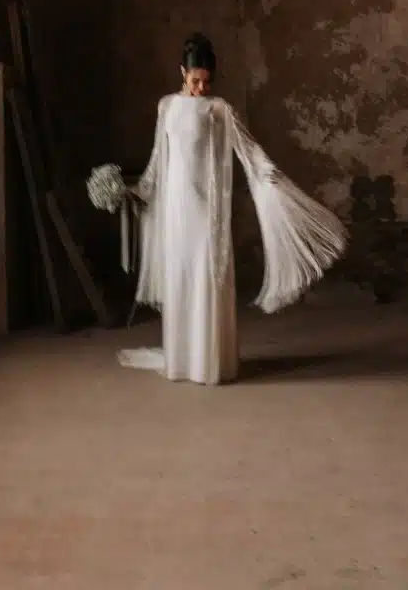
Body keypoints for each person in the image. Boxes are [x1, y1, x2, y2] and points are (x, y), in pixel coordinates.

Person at [118, 33, 346, 386]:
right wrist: (134, 190)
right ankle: (182, 362)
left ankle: (210, 363)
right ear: (182, 72)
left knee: (206, 280)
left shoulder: (219, 110)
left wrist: (267, 173)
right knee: (181, 279)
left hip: (206, 211)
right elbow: (157, 161)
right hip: (177, 210)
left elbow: (248, 149)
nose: (200, 88)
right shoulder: (166, 107)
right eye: (195, 80)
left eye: (207, 82)